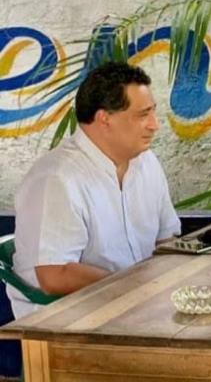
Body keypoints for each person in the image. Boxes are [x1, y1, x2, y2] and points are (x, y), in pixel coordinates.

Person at [7, 62, 181, 319]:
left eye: (153, 112)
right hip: (67, 320)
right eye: (143, 115)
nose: (154, 125)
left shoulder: (146, 163)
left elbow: (167, 239)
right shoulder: (57, 179)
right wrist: (132, 288)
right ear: (104, 119)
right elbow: (54, 275)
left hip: (135, 306)